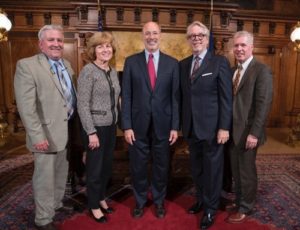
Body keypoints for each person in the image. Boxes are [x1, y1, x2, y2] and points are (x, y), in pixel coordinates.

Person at [14, 24, 77, 230]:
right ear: (41, 44)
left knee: (61, 172)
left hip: (66, 130)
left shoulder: (67, 64)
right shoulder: (27, 65)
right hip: (45, 134)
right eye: (51, 40)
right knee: (44, 179)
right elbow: (26, 107)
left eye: (59, 40)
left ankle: (56, 204)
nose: (56, 44)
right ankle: (43, 219)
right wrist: (36, 135)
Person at [121, 21, 180, 219]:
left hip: (164, 125)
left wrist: (175, 126)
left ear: (160, 35)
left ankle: (159, 201)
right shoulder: (131, 62)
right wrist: (126, 126)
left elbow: (175, 97)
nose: (151, 37)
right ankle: (139, 201)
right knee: (138, 165)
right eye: (148, 33)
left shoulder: (173, 63)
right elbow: (126, 96)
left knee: (161, 165)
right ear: (142, 36)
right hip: (137, 126)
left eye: (155, 33)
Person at [179, 21, 232, 229]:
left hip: (213, 130)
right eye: (192, 36)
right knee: (197, 168)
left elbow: (226, 98)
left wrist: (224, 127)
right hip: (191, 128)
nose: (196, 38)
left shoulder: (219, 62)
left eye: (200, 35)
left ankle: (210, 209)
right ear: (188, 40)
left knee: (213, 171)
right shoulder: (183, 64)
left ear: (207, 38)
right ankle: (201, 200)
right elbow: (182, 97)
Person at [226, 30, 273, 223]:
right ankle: (239, 200)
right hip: (233, 132)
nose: (239, 49)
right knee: (236, 170)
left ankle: (246, 207)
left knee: (246, 172)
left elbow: (264, 104)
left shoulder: (261, 70)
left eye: (243, 45)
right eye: (236, 45)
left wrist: (254, 133)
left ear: (251, 47)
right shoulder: (233, 70)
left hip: (248, 133)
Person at [77, 32, 121, 223]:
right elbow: (82, 105)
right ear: (93, 50)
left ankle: (101, 197)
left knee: (106, 168)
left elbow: (115, 98)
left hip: (111, 127)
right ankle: (93, 205)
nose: (105, 49)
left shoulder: (112, 70)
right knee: (94, 170)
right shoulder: (88, 71)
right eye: (100, 46)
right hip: (95, 129)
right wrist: (91, 132)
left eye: (108, 46)